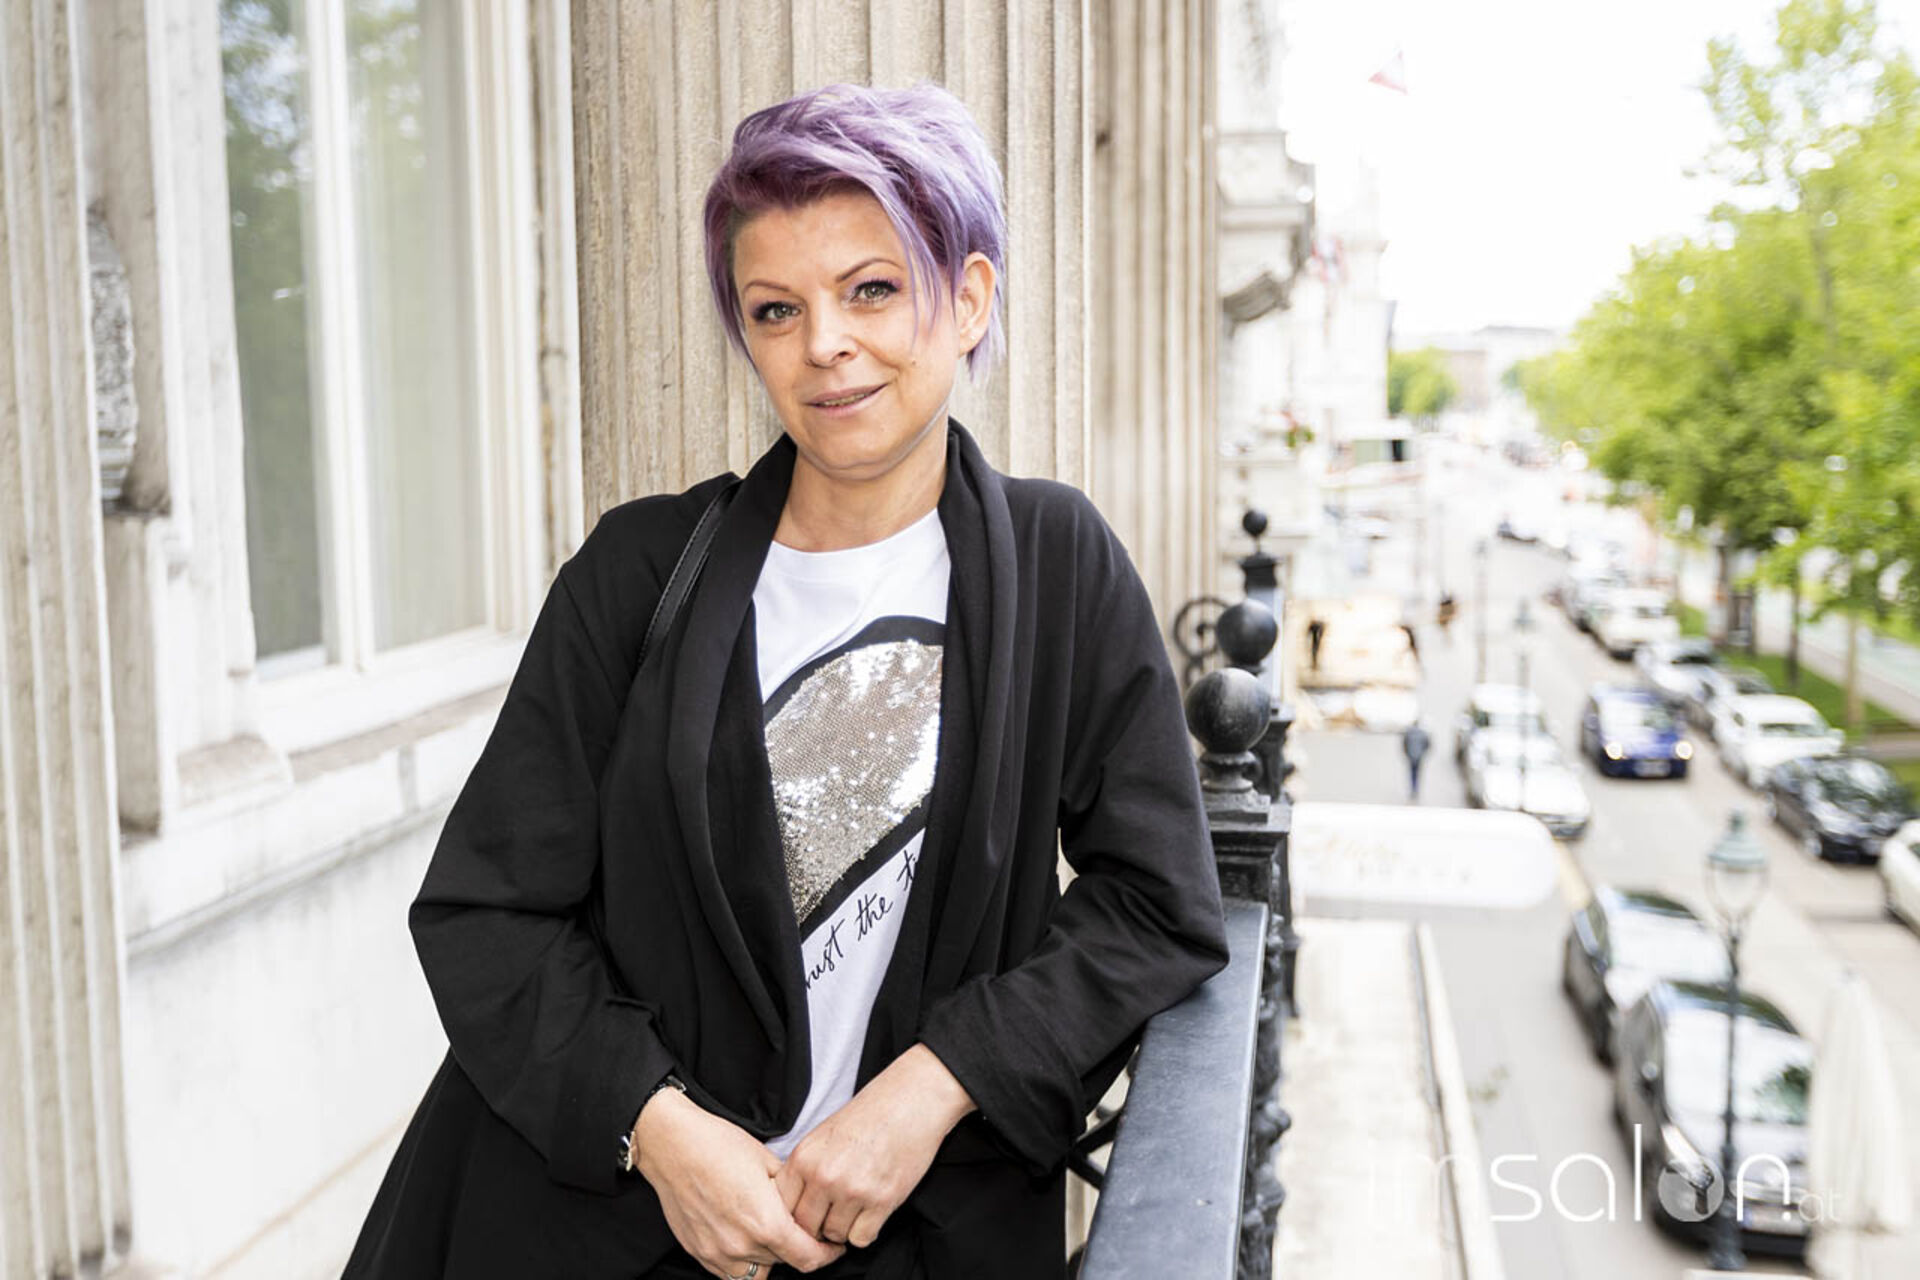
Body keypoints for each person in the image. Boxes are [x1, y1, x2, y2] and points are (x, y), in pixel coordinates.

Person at [344, 83, 1228, 1280]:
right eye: (776, 309)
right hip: (605, 1233)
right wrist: (657, 1129)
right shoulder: (636, 571)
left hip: (911, 1241)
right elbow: (485, 911)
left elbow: (1155, 900)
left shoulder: (1057, 566)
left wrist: (937, 1082)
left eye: (873, 289)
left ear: (968, 298)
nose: (825, 344)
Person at [1402, 719, 1431, 801]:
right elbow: (1428, 744)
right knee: (1417, 773)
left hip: (1411, 756)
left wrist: (1407, 753)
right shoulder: (1423, 733)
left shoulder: (1409, 733)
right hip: (1419, 756)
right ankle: (1415, 788)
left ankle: (1413, 788)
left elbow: (1404, 744)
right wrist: (1423, 753)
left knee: (1412, 773)